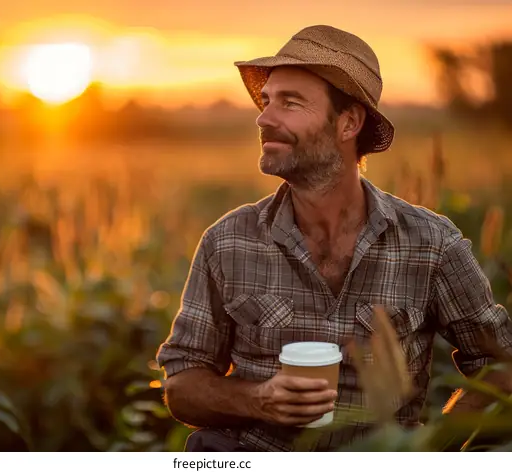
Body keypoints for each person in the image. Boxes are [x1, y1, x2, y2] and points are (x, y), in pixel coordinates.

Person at [155, 25, 512, 452]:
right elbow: (182, 384)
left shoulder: (432, 244)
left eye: (290, 103)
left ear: (348, 122)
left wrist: (433, 448)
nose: (264, 117)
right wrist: (259, 401)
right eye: (267, 101)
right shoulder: (227, 242)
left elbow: (501, 363)